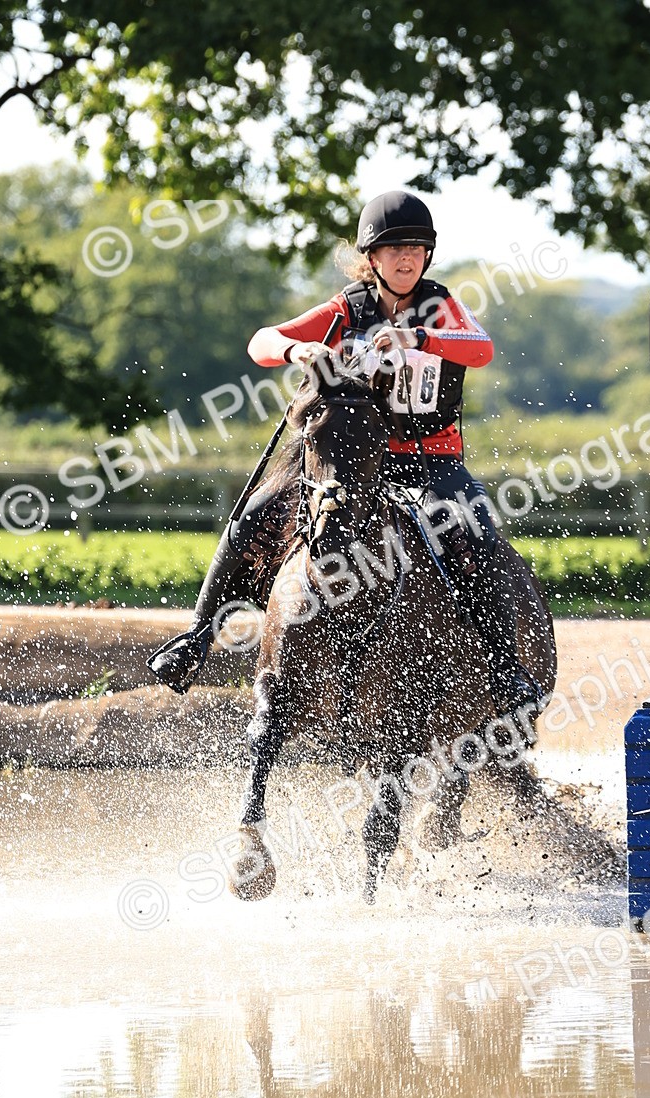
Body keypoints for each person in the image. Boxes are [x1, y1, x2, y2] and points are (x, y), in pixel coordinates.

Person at [147, 190, 542, 716]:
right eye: (395, 249)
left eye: (417, 249)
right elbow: (261, 342)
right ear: (371, 258)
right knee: (255, 516)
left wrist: (418, 336)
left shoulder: (440, 306)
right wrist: (297, 349)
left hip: (431, 459)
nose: (407, 258)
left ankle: (504, 665)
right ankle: (196, 640)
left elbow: (481, 348)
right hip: (348, 457)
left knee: (475, 532)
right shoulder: (345, 310)